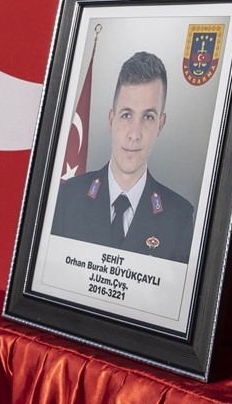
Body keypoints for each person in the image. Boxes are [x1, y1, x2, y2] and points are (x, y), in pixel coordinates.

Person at [51, 51, 196, 263]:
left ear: (160, 125)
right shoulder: (67, 197)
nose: (134, 134)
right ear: (112, 120)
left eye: (148, 117)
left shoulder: (179, 217)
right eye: (126, 115)